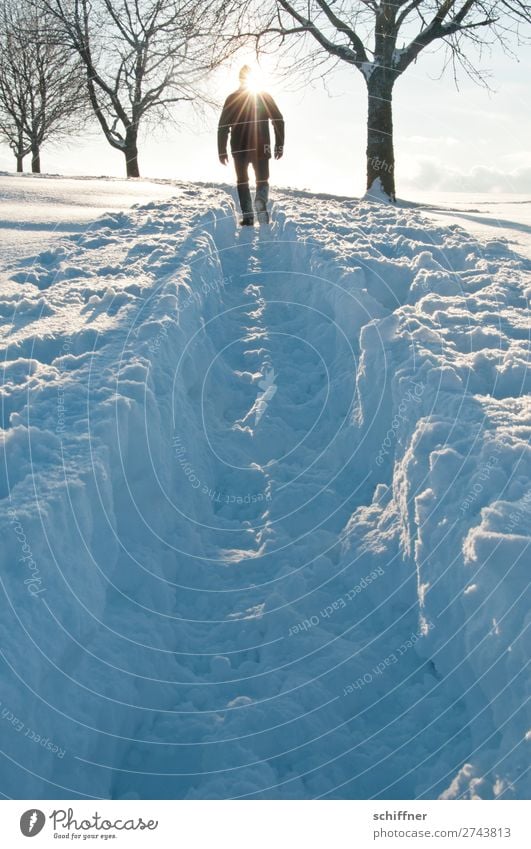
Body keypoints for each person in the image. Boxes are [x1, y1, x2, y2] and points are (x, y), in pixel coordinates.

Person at [218, 65, 284, 226]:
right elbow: (278, 120)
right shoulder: (264, 97)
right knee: (262, 179)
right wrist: (279, 144)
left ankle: (248, 216)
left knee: (242, 181)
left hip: (239, 147)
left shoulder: (232, 98)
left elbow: (223, 127)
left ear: (240, 79)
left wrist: (222, 150)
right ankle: (261, 199)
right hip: (261, 146)